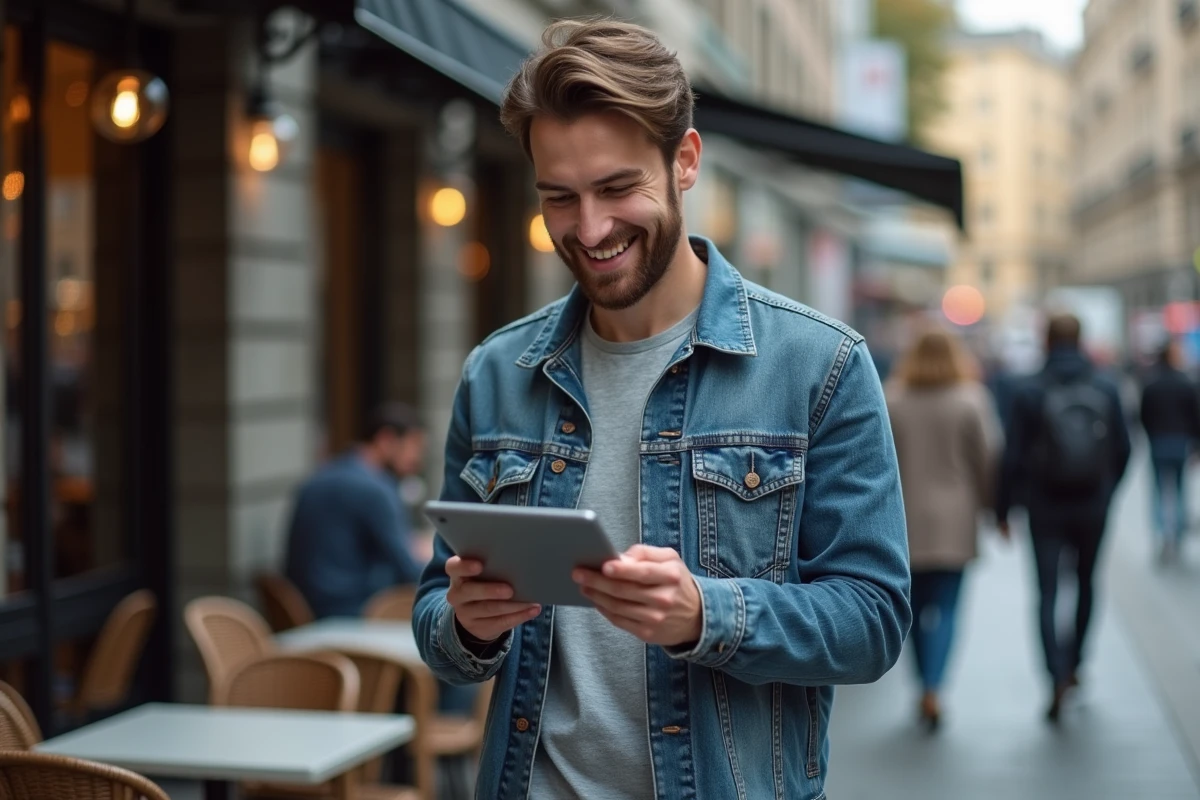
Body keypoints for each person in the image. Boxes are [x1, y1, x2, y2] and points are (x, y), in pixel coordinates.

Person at [412, 20, 911, 800]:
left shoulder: (822, 365)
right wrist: (469, 624)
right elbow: (435, 619)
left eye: (616, 189)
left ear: (684, 162)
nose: (589, 228)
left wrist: (706, 613)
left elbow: (874, 622)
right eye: (559, 198)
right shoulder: (495, 373)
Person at [996, 313, 1131, 722]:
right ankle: (1075, 663)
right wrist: (1107, 490)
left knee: (1047, 592)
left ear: (1046, 340)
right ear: (1081, 339)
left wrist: (1003, 509)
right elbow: (1124, 447)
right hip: (1092, 504)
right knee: (1087, 583)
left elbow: (1013, 455)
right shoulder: (1106, 384)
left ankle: (1053, 673)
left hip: (1044, 505)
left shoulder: (1029, 389)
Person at [886, 328, 1002, 731]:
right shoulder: (971, 399)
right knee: (949, 607)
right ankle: (935, 687)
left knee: (913, 610)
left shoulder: (893, 398)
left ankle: (923, 683)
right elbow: (987, 459)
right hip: (957, 516)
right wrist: (993, 508)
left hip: (904, 519)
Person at [284, 403, 427, 619]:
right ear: (386, 440)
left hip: (302, 607)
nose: (416, 460)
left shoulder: (321, 475)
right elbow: (410, 572)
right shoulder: (376, 489)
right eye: (413, 446)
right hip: (350, 611)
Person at [1139, 339, 1200, 563]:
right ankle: (1178, 535)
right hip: (1180, 441)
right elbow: (1195, 415)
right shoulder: (1185, 382)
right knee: (1180, 490)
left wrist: (1152, 434)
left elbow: (1143, 414)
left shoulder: (1151, 382)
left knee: (1158, 491)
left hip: (1159, 441)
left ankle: (1162, 533)